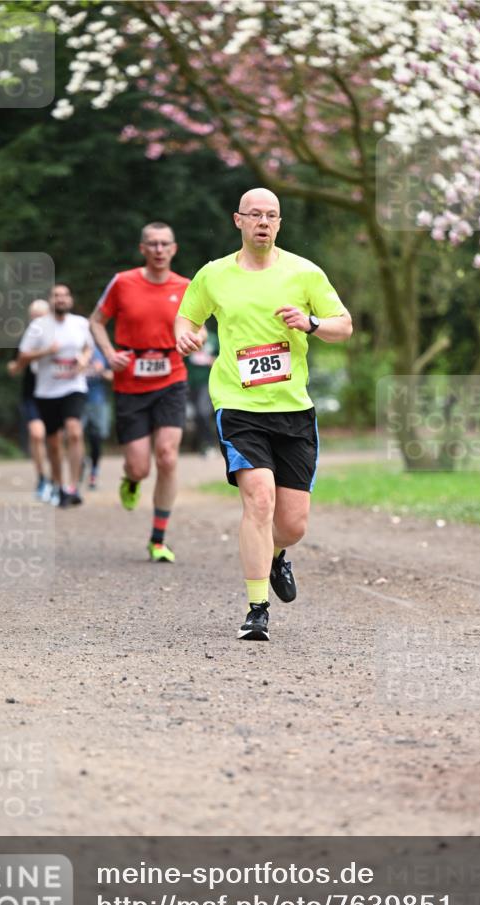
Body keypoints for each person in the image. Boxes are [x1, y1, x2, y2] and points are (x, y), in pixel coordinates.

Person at [175, 188, 352, 641]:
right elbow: (187, 317)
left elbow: (343, 325)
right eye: (255, 214)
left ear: (280, 223)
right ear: (238, 220)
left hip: (293, 409)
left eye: (271, 215)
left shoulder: (305, 273)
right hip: (238, 404)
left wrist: (310, 323)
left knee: (292, 523)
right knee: (259, 500)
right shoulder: (214, 275)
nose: (263, 222)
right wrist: (186, 336)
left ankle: (275, 555)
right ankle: (257, 610)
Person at [90, 222, 202, 563]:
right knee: (139, 467)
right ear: (142, 249)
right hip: (130, 384)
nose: (157, 249)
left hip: (171, 378)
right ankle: (132, 479)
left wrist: (192, 340)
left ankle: (158, 539)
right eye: (151, 244)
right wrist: (109, 355)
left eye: (164, 244)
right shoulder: (123, 282)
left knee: (167, 456)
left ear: (173, 249)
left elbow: (199, 326)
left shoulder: (186, 286)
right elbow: (95, 321)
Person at [17, 284, 94, 508]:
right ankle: (59, 486)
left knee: (75, 431)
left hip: (74, 387)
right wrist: (46, 352)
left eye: (64, 295)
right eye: (56, 296)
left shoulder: (80, 323)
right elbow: (22, 357)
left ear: (70, 299)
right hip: (46, 392)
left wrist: (84, 359)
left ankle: (72, 486)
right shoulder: (38, 327)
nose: (60, 299)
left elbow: (88, 348)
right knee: (53, 443)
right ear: (50, 300)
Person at [8, 299, 52, 501]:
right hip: (32, 394)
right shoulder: (24, 341)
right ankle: (42, 477)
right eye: (33, 317)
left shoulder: (59, 338)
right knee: (36, 435)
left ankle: (58, 478)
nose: (36, 320)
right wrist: (17, 364)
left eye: (40, 316)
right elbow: (14, 369)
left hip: (56, 395)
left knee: (55, 439)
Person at [82, 345, 113, 489]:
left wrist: (101, 371)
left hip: (97, 400)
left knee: (96, 438)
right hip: (77, 399)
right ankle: (80, 465)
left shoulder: (100, 352)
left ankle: (94, 472)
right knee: (76, 436)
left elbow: (113, 375)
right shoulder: (73, 349)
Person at [185, 327, 219, 456]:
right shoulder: (185, 335)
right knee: (192, 415)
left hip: (207, 382)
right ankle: (199, 445)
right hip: (188, 383)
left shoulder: (213, 338)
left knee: (202, 412)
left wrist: (210, 360)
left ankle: (209, 444)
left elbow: (224, 358)